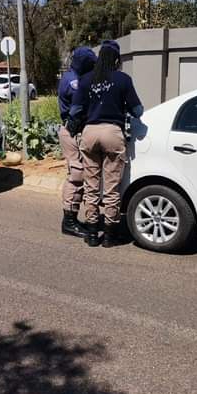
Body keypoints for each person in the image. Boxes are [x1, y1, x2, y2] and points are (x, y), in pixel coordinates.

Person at [69, 40, 143, 248]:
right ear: (117, 60)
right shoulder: (123, 80)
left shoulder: (85, 80)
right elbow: (138, 111)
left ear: (99, 58)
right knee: (111, 187)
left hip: (90, 133)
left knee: (91, 185)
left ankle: (92, 233)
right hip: (112, 132)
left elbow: (75, 112)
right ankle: (110, 235)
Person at [57, 46, 97, 237]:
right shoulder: (72, 80)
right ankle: (69, 221)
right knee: (77, 174)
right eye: (90, 65)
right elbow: (80, 101)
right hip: (72, 131)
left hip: (81, 131)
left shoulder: (80, 77)